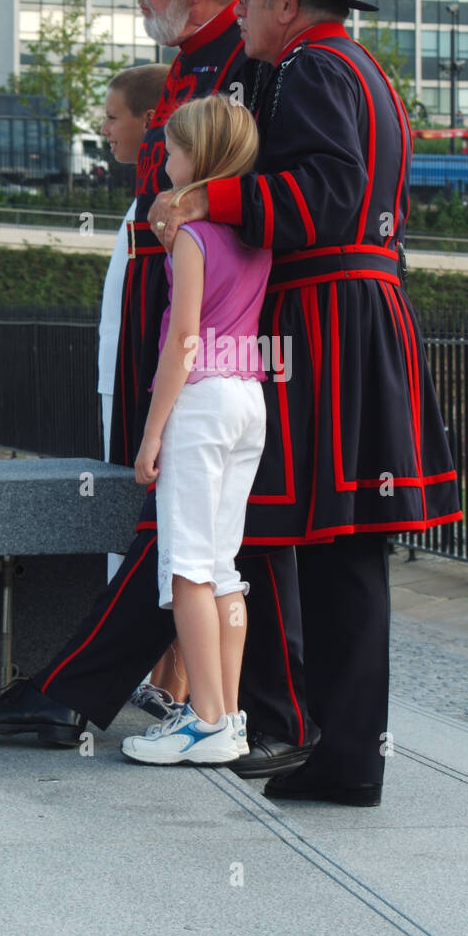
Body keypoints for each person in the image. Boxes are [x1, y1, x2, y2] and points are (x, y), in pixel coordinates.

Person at [0, 0, 316, 777]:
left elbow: (257, 202)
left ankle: (179, 706)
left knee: (191, 551)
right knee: (196, 551)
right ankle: (191, 705)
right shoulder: (197, 62)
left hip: (204, 356)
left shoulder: (237, 69)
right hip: (203, 356)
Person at [152, 0, 462, 805]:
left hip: (326, 319)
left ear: (288, 2)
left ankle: (339, 756)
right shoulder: (358, 68)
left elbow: (322, 196)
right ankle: (339, 750)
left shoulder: (313, 69)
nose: (240, 10)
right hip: (363, 310)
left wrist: (213, 198)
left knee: (332, 548)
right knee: (342, 550)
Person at [122, 96, 270, 765]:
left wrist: (152, 433)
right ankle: (227, 716)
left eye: (175, 150)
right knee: (223, 569)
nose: (167, 159)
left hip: (202, 399)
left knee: (185, 568)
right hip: (247, 397)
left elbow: (183, 338)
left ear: (198, 157)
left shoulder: (190, 237)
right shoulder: (249, 232)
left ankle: (205, 720)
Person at [96, 62, 188, 715]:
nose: (103, 129)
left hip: (155, 390)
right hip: (123, 381)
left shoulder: (165, 215)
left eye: (111, 116)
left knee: (176, 541)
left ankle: (174, 683)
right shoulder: (140, 206)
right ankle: (155, 676)